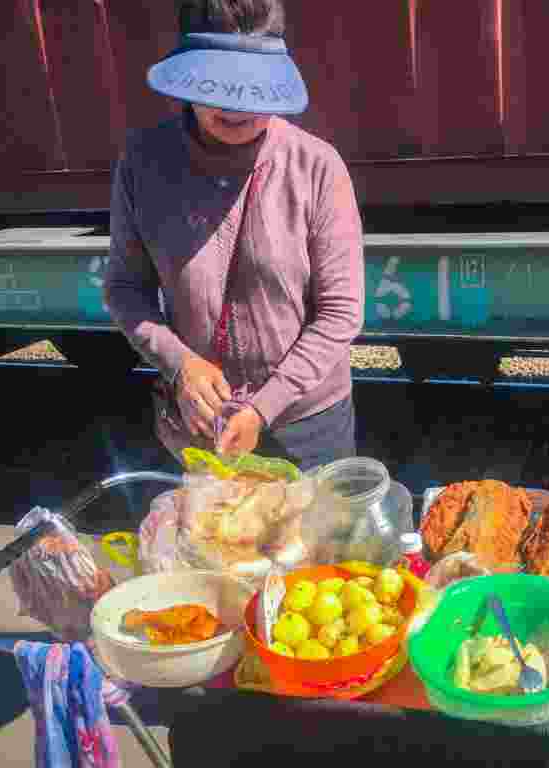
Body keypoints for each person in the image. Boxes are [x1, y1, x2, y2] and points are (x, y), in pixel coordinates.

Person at [104, 0, 365, 473]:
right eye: (218, 85)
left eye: (252, 88)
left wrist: (265, 404)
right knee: (214, 543)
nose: (236, 105)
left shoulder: (318, 166)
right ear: (188, 79)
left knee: (318, 547)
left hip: (308, 423)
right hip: (199, 423)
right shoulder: (142, 163)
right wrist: (181, 364)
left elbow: (341, 312)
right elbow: (124, 289)